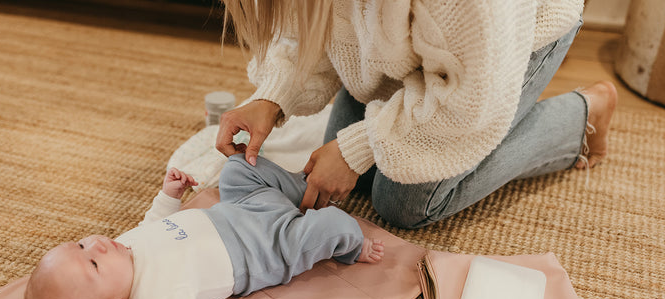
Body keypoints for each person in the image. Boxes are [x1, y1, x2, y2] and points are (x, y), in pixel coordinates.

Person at [215, 0, 618, 228]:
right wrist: (273, 97)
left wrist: (357, 148)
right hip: (425, 46)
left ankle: (579, 118)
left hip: (499, 49)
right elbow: (315, 24)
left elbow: (471, 100)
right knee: (358, 180)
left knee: (405, 205)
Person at [24, 154, 385, 299]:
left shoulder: (122, 249)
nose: (97, 244)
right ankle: (353, 247)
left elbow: (152, 223)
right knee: (332, 227)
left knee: (239, 167)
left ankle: (303, 190)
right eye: (92, 262)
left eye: (82, 243)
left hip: (239, 207)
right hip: (265, 247)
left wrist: (169, 195)